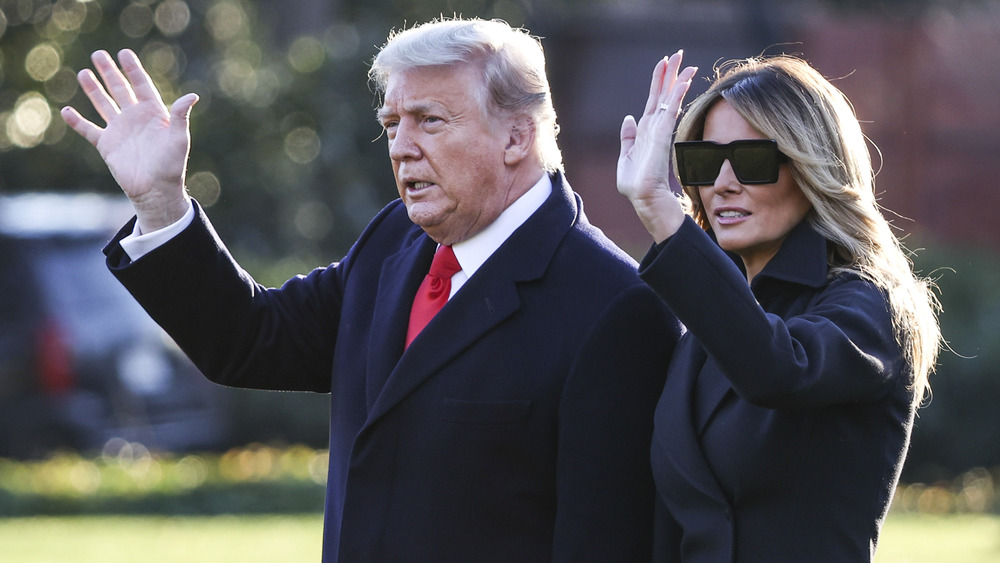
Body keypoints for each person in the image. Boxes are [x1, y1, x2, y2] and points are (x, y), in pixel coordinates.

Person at [61, 18, 682, 563]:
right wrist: (160, 199)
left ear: (518, 137)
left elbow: (604, 543)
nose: (402, 147)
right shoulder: (394, 240)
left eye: (430, 121)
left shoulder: (616, 306)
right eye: (392, 124)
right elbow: (251, 339)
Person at [616, 52, 941, 561]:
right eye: (703, 162)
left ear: (812, 167)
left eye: (750, 159)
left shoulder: (870, 305)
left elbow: (778, 368)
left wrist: (660, 212)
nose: (721, 184)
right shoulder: (706, 323)